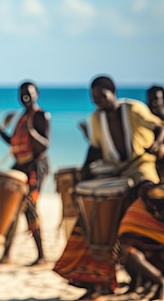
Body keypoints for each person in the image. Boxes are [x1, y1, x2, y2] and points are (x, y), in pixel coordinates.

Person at [53, 75, 164, 300]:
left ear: (112, 92)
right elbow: (95, 149)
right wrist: (83, 176)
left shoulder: (134, 109)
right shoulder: (96, 118)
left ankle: (150, 276)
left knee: (144, 207)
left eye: (102, 97)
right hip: (116, 174)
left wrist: (158, 143)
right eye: (94, 99)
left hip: (142, 170)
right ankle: (101, 282)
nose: (98, 102)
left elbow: (160, 127)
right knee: (91, 222)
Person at [0, 81, 50, 266]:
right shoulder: (22, 117)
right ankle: (6, 255)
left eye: (29, 94)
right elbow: (13, 142)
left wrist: (32, 132)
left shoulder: (41, 116)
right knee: (11, 209)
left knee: (30, 208)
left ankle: (41, 256)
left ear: (37, 94)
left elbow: (45, 145)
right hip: (20, 166)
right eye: (22, 94)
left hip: (35, 166)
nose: (26, 97)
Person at [147, 84, 164, 180]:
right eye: (150, 99)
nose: (153, 103)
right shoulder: (145, 119)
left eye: (157, 99)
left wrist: (157, 144)